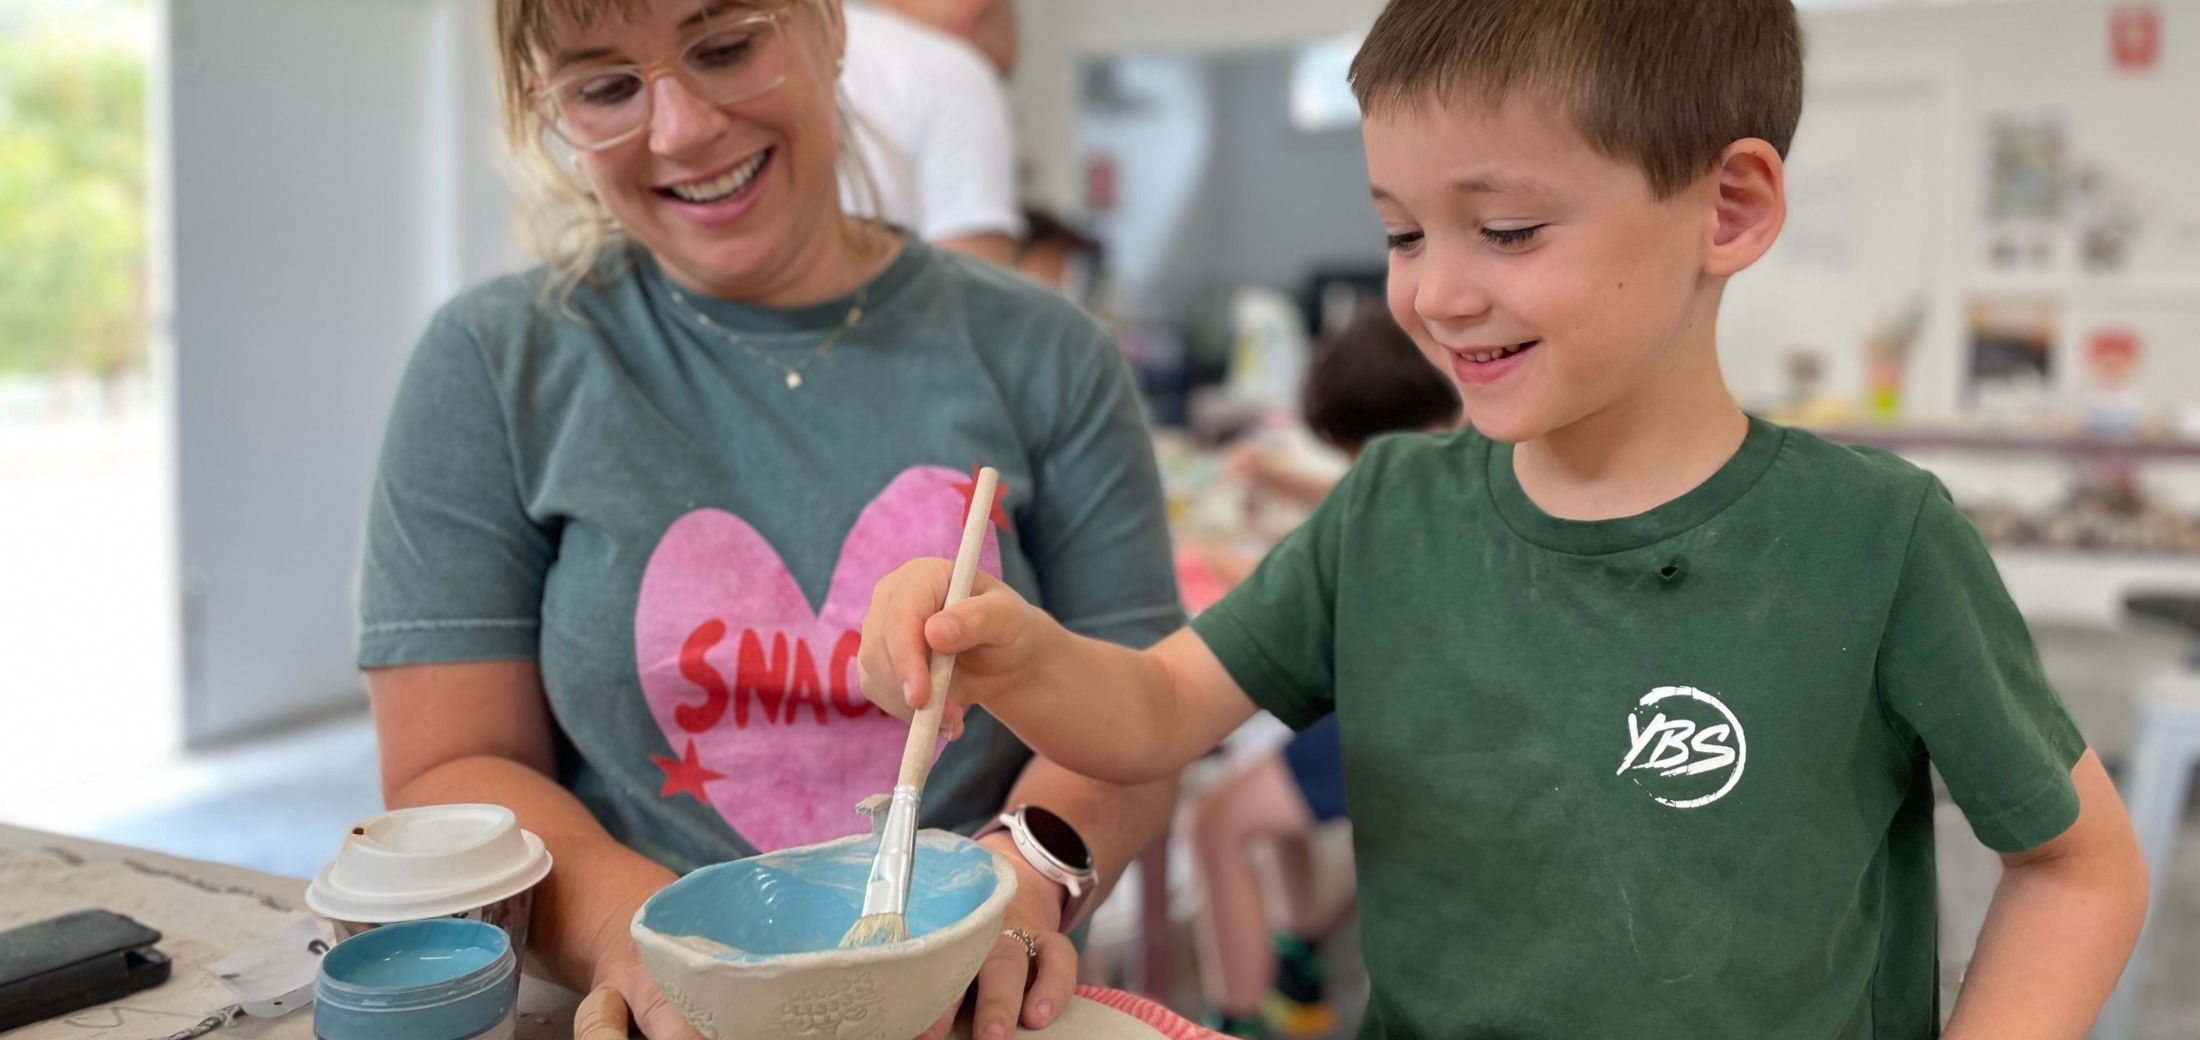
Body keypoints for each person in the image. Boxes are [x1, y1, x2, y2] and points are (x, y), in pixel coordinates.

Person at [855, 0, 2151, 1036]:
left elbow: (2080, 866)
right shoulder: (1385, 514)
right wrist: (1018, 653)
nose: (1435, 294)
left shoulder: (1880, 543)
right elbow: (1152, 716)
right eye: (1404, 234)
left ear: (1731, 208)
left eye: (1509, 229)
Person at [357, 3, 1183, 1040]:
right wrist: (648, 949)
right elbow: (450, 765)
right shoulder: (492, 364)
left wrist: (1010, 888)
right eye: (608, 86)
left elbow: (1145, 714)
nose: (680, 129)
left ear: (830, 30)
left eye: (724, 47)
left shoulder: (1044, 351)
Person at [1189, 307, 1460, 1039]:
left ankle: (1239, 1020)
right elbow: (1359, 513)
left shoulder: (1419, 490)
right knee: (1266, 779)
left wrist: (1235, 563)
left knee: (1218, 823)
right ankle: (1297, 973)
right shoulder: (1456, 472)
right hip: (1411, 708)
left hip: (1408, 722)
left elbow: (1346, 567)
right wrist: (1279, 478)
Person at [840, 0, 1022, 263]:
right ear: (973, 11)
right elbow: (971, 291)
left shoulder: (781, 43)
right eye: (999, 76)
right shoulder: (958, 74)